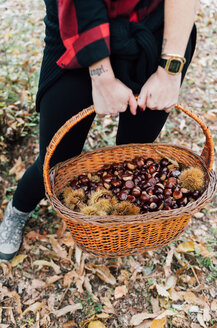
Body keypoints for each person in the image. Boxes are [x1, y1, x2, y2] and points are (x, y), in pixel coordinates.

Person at [0, 0, 199, 262]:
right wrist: (101, 75)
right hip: (78, 32)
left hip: (158, 33)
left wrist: (170, 71)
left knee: (134, 156)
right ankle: (18, 211)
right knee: (55, 158)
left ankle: (120, 218)